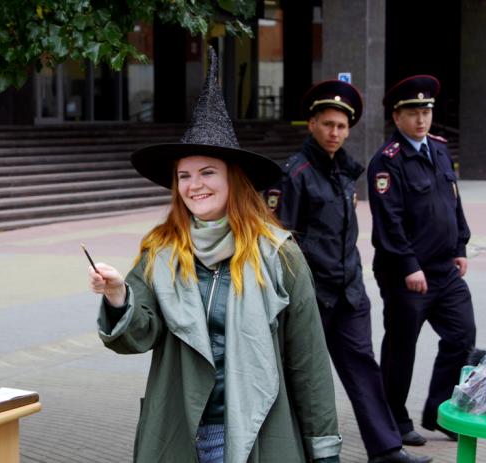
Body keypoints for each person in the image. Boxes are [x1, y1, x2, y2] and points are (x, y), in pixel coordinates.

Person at [87, 48, 342, 463]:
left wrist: (323, 447)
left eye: (208, 172)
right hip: (179, 432)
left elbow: (308, 362)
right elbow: (138, 336)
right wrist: (118, 296)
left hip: (258, 432)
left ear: (233, 179)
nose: (194, 186)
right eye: (184, 176)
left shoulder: (279, 255)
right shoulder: (161, 252)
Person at [267, 80, 431, 463]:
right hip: (310, 298)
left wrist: (355, 280)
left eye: (341, 126)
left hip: (350, 293)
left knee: (363, 369)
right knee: (300, 377)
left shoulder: (346, 171)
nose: (335, 133)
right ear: (311, 125)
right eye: (327, 124)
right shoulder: (294, 174)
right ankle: (289, 450)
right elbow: (278, 243)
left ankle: (387, 449)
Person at [367, 75, 476, 446]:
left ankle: (439, 410)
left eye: (426, 112)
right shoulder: (387, 161)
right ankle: (394, 420)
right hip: (406, 275)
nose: (421, 120)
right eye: (413, 113)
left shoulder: (441, 150)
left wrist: (461, 245)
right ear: (397, 118)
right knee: (401, 348)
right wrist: (409, 265)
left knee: (462, 336)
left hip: (445, 271)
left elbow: (454, 202)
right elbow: (388, 222)